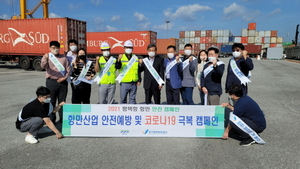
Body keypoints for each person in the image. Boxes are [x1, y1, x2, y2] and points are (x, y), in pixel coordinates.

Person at [41, 41, 70, 123]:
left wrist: (64, 78)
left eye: (57, 48)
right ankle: (52, 120)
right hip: (51, 82)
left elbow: (68, 69)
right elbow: (43, 66)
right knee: (51, 101)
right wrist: (46, 58)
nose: (55, 49)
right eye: (53, 48)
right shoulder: (47, 56)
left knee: (62, 102)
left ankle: (62, 119)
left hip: (62, 83)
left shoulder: (64, 58)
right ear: (50, 48)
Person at [115, 40, 141, 104]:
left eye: (130, 47)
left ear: (132, 48)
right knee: (123, 99)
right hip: (124, 82)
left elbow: (138, 70)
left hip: (133, 82)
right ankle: (124, 113)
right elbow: (117, 67)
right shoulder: (121, 57)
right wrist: (118, 60)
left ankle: (132, 113)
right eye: (127, 47)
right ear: (124, 48)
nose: (128, 49)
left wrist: (139, 79)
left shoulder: (135, 58)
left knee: (133, 99)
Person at [65, 39, 78, 103]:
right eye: (71, 45)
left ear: (77, 45)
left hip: (81, 75)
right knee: (75, 92)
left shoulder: (80, 53)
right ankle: (75, 106)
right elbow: (66, 66)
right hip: (72, 76)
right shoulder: (68, 55)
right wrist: (72, 65)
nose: (72, 46)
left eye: (73, 45)